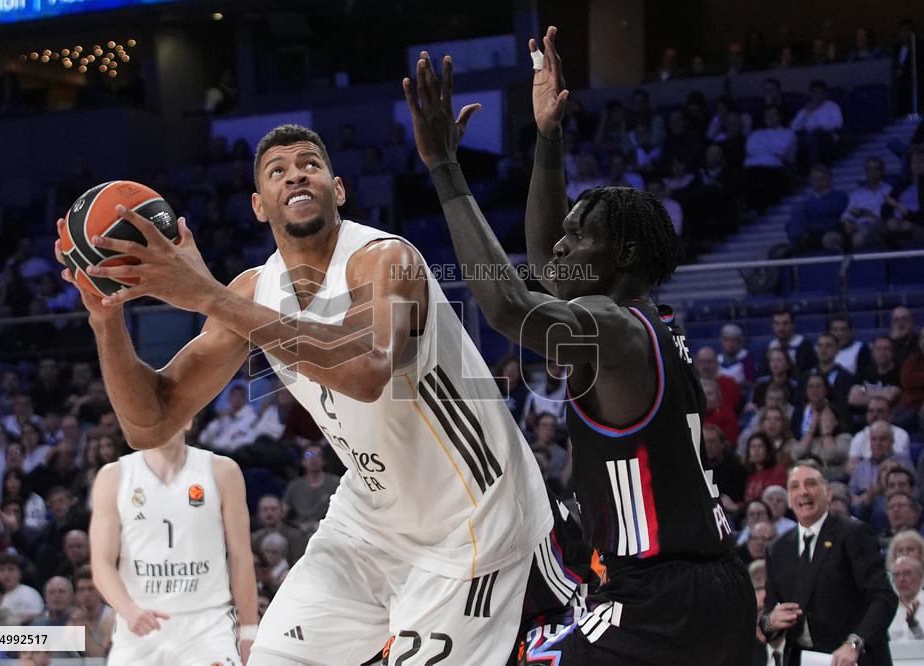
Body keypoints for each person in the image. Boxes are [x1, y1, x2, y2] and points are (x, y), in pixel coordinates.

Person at [54, 114, 557, 665]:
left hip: (471, 525)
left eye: (310, 165)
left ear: (337, 190)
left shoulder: (386, 258)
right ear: (259, 205)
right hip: (369, 521)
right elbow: (150, 424)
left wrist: (208, 296)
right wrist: (105, 322)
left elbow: (366, 369)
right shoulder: (253, 289)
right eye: (277, 171)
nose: (295, 176)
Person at [403, 26, 754, 665]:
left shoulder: (615, 329)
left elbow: (508, 301)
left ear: (621, 253)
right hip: (711, 588)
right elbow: (542, 266)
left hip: (659, 601)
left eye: (578, 236)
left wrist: (446, 170)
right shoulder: (646, 325)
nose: (558, 249)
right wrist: (548, 139)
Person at [89, 425, 257, 665]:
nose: (162, 419)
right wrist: (127, 609)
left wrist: (249, 630)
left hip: (207, 626)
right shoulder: (113, 476)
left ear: (189, 420)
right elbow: (102, 563)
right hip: (140, 626)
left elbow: (241, 557)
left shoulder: (222, 470)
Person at [761, 461, 897, 665]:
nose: (803, 492)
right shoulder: (777, 549)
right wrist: (771, 622)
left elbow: (883, 597)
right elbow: (767, 615)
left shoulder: (853, 534)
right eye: (795, 486)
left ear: (829, 493)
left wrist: (855, 643)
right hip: (803, 660)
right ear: (789, 499)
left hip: (856, 660)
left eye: (811, 484)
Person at [888, 555, 924, 642]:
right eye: (897, 575)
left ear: (920, 576)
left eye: (907, 573)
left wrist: (913, 625)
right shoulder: (885, 607)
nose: (901, 579)